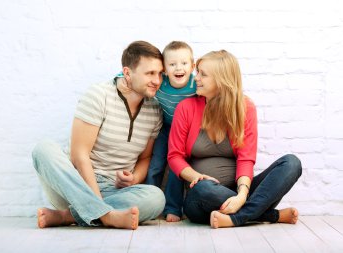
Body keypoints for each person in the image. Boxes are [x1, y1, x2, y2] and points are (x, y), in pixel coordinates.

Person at [32, 41, 166, 230]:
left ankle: (68, 216)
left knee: (156, 198)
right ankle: (106, 216)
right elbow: (79, 155)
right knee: (43, 149)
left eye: (160, 74)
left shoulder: (154, 110)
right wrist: (96, 201)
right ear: (127, 73)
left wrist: (134, 178)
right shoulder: (98, 95)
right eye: (150, 73)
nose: (157, 80)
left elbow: (145, 157)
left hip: (115, 191)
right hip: (74, 186)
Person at [167, 50, 302, 228]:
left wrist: (241, 196)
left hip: (240, 192)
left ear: (221, 80)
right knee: (204, 188)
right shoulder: (186, 108)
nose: (196, 78)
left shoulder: (245, 108)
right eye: (197, 72)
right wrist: (197, 177)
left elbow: (246, 158)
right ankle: (268, 215)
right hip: (202, 197)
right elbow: (174, 156)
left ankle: (236, 217)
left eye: (203, 74)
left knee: (291, 163)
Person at [116, 41, 196, 222]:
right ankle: (149, 201)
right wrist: (119, 79)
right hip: (166, 129)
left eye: (184, 63)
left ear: (192, 66)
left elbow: (214, 87)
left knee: (177, 169)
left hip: (186, 133)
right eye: (172, 64)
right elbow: (128, 73)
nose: (179, 68)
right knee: (155, 165)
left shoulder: (195, 85)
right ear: (164, 70)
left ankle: (173, 208)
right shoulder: (160, 84)